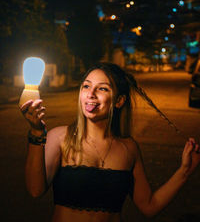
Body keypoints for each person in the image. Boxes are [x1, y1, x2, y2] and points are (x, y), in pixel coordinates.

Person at [20, 62, 200, 222]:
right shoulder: (60, 137)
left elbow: (149, 206)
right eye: (86, 86)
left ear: (119, 101)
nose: (91, 94)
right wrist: (36, 132)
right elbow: (35, 190)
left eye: (102, 89)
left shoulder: (128, 148)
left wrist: (184, 171)